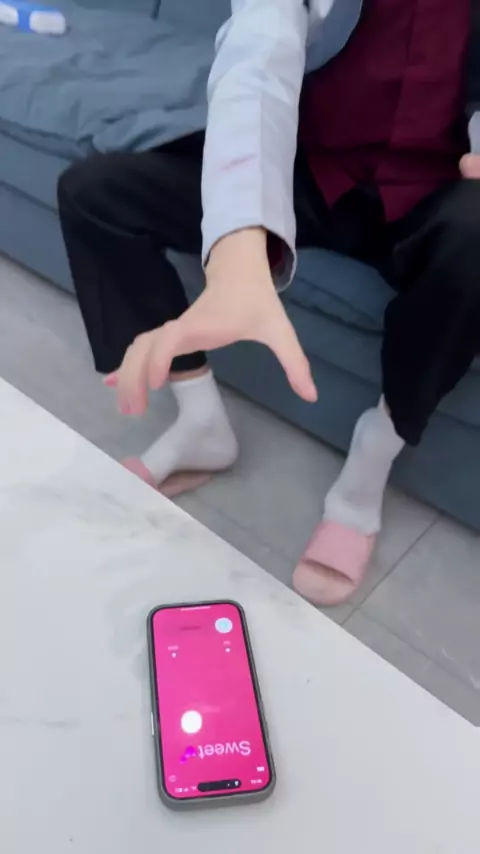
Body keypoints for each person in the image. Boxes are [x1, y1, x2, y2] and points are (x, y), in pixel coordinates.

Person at [57, 0, 480, 606]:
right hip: (307, 169)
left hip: (434, 192)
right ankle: (200, 421)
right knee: (95, 194)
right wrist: (237, 251)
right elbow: (260, 47)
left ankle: (373, 457)